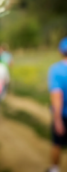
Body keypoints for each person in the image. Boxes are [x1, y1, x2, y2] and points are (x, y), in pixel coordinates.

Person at [47, 37, 67, 172]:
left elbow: (57, 97)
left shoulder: (56, 70)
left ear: (61, 51)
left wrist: (57, 119)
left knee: (57, 144)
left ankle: (55, 169)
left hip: (64, 115)